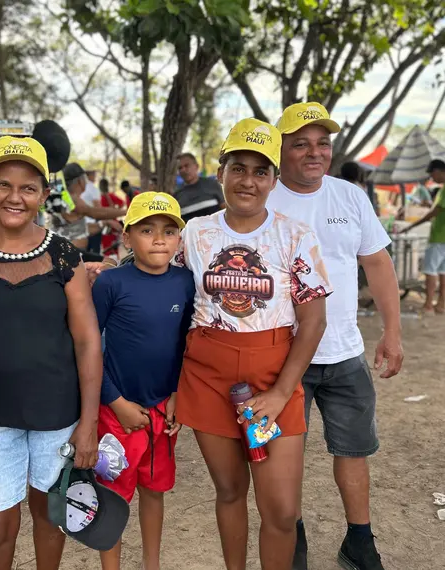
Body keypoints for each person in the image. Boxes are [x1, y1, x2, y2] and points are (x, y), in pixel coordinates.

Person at [0, 136, 102, 570]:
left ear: (44, 195)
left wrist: (88, 424)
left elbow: (87, 342)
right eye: (4, 185)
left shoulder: (65, 256)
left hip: (56, 416)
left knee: (50, 519)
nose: (16, 197)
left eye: (29, 188)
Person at [174, 118, 330, 570]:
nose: (248, 180)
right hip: (207, 374)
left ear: (274, 180)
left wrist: (282, 391)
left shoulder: (295, 235)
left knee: (281, 508)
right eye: (238, 168)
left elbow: (313, 320)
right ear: (220, 172)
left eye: (260, 171)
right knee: (229, 491)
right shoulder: (195, 233)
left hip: (273, 377)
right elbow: (160, 284)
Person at [270, 102, 403, 570]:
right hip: (283, 359)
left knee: (354, 451)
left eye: (322, 143)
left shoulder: (351, 196)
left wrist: (392, 331)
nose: (314, 152)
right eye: (301, 143)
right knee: (284, 460)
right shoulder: (263, 198)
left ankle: (359, 542)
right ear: (281, 148)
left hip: (345, 352)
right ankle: (293, 538)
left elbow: (378, 264)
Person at [92, 192, 194, 570]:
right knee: (112, 496)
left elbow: (188, 342)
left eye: (169, 231)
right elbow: (89, 348)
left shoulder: (186, 283)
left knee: (154, 491)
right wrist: (115, 400)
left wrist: (177, 394)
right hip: (115, 412)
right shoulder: (111, 283)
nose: (158, 239)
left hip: (163, 414)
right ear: (127, 236)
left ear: (179, 239)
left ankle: (153, 563)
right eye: (147, 229)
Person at [399, 159, 445, 314]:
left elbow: (436, 211)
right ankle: (440, 304)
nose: (432, 179)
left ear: (439, 171)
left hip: (440, 234)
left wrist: (412, 226)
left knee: (430, 270)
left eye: (433, 175)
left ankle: (428, 304)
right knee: (444, 269)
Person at [175, 152, 225, 222]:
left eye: (186, 166)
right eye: (180, 168)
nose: (183, 170)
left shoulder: (212, 184)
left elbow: (225, 210)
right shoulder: (176, 194)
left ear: (196, 166)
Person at [99, 178, 126, 258]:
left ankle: (108, 262)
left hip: (106, 223)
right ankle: (114, 261)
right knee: (113, 244)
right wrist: (116, 210)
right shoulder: (110, 196)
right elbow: (122, 203)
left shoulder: (99, 197)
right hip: (113, 223)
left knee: (107, 245)